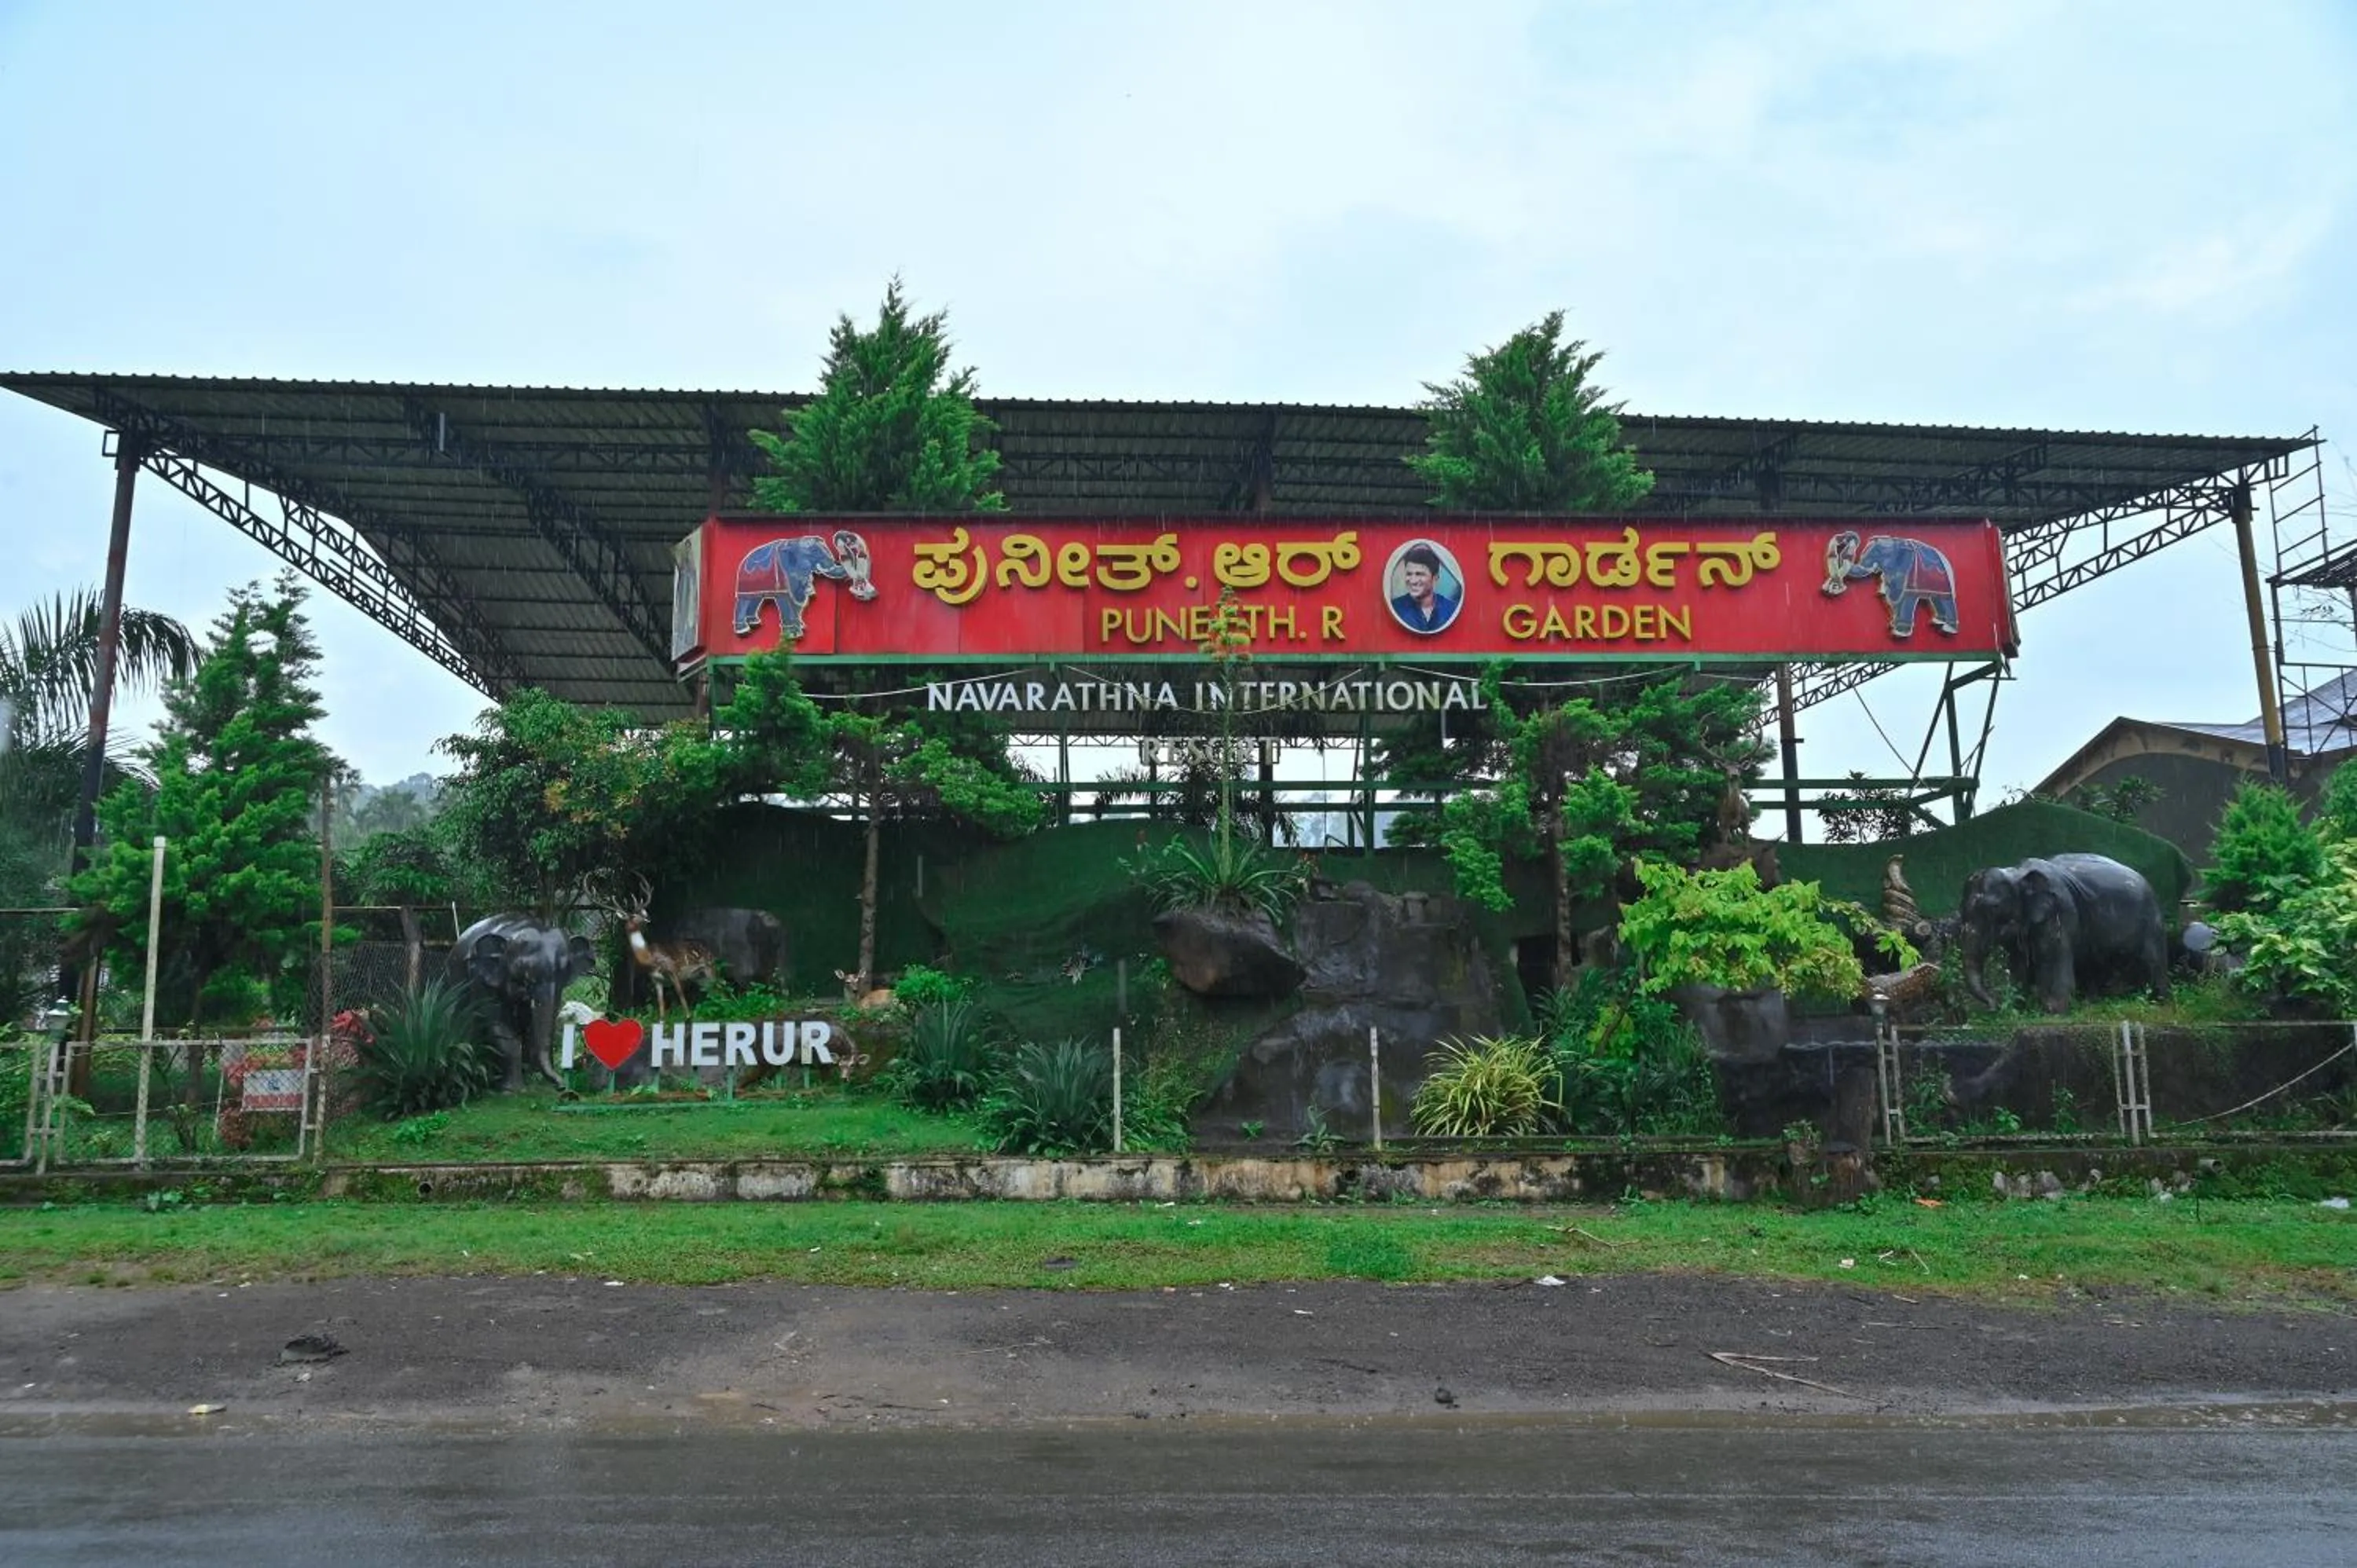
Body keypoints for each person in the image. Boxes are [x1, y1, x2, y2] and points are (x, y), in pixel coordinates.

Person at [1389, 542, 1460, 633]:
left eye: (1419, 574)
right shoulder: (1396, 608)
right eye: (1409, 574)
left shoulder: (1451, 609)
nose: (1413, 581)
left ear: (1435, 578)